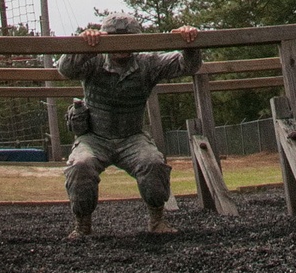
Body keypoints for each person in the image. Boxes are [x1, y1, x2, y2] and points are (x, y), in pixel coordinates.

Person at [56, 12, 201, 239]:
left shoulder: (147, 64)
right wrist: (83, 45)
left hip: (132, 137)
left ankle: (157, 219)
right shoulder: (93, 60)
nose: (121, 46)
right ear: (104, 39)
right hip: (95, 137)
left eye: (127, 39)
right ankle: (82, 224)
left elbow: (186, 66)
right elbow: (65, 69)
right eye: (114, 39)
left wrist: (189, 42)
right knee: (81, 165)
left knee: (152, 163)